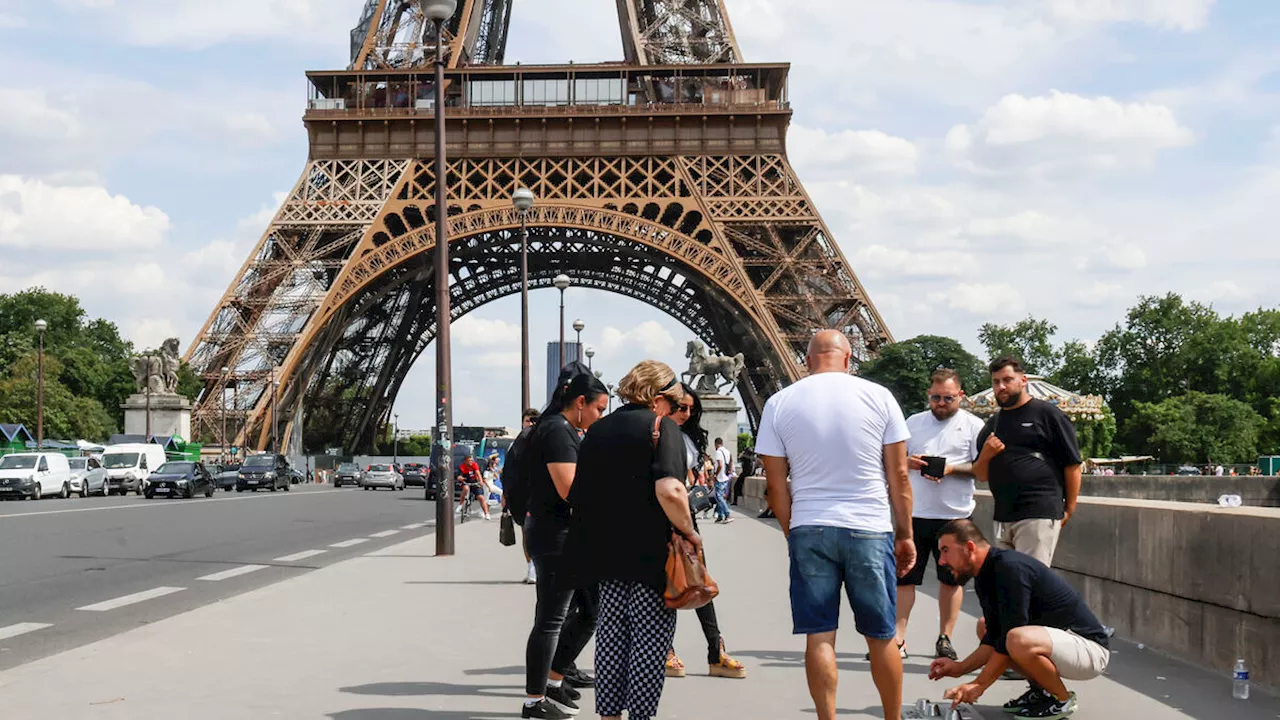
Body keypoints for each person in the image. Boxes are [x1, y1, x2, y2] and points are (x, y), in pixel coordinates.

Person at [756, 329, 915, 720]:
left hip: (811, 524)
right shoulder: (879, 397)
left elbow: (776, 486)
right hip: (869, 526)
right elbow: (900, 476)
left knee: (820, 635)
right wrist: (906, 533)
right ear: (848, 359)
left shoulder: (779, 402)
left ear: (808, 360)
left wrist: (793, 530)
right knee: (881, 637)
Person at [562, 360, 697, 720]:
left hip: (606, 554)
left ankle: (609, 716)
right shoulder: (660, 427)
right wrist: (689, 530)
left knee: (611, 641)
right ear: (658, 398)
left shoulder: (598, 430)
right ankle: (640, 716)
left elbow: (580, 493)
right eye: (673, 402)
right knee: (649, 643)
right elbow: (670, 488)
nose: (673, 410)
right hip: (651, 555)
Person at [929, 519, 1110, 718]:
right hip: (1060, 644)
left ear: (970, 547)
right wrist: (960, 668)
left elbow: (1009, 639)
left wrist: (978, 685)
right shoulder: (985, 574)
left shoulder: (1009, 569)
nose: (941, 561)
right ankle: (1042, 692)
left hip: (1089, 649)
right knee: (986, 627)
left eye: (945, 550)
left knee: (1016, 639)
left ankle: (1062, 699)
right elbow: (994, 639)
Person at [521, 366, 611, 720]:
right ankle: (533, 701)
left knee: (590, 610)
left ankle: (554, 680)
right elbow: (570, 490)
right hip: (556, 536)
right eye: (599, 409)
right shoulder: (558, 432)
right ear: (579, 403)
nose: (599, 416)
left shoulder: (562, 429)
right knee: (551, 619)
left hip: (564, 534)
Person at [894, 369, 985, 662]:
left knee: (951, 581)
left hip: (955, 516)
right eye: (935, 398)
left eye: (948, 398)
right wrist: (908, 462)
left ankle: (944, 638)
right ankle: (898, 638)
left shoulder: (974, 426)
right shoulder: (913, 423)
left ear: (961, 395)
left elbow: (982, 469)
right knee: (904, 578)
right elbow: (894, 461)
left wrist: (950, 469)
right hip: (915, 513)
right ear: (928, 395)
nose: (941, 403)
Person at [664, 383, 747, 680]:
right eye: (679, 407)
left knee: (701, 583)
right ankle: (667, 651)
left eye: (689, 408)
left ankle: (716, 650)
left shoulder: (688, 438)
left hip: (686, 516)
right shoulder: (658, 433)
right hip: (661, 517)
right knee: (667, 583)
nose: (685, 413)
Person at [973, 357, 1083, 568]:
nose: (1001, 386)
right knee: (1009, 583)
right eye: (996, 382)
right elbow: (980, 474)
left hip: (1038, 511)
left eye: (1007, 379)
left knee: (1031, 580)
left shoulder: (1048, 415)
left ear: (1023, 380)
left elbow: (1073, 464)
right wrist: (986, 453)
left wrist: (1068, 509)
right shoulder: (994, 424)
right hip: (1003, 515)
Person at [505, 408, 541, 585]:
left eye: (534, 421)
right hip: (522, 496)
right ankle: (531, 566)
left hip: (540, 494)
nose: (531, 424)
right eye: (528, 420)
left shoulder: (543, 440)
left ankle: (537, 566)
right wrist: (506, 495)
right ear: (522, 422)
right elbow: (508, 471)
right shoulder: (515, 444)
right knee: (526, 532)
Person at [456, 454, 490, 521]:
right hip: (466, 482)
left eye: (471, 460)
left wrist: (480, 481)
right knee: (466, 488)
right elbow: (458, 476)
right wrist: (461, 478)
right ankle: (460, 505)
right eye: (469, 461)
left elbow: (478, 473)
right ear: (465, 461)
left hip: (475, 482)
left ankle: (486, 513)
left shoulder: (474, 465)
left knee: (481, 497)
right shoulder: (462, 467)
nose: (471, 462)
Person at [712, 437, 735, 524]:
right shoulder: (727, 451)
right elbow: (730, 463)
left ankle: (727, 514)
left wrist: (715, 474)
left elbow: (720, 465)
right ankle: (720, 516)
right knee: (720, 496)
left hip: (720, 477)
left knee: (719, 497)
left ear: (716, 444)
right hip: (726, 476)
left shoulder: (718, 452)